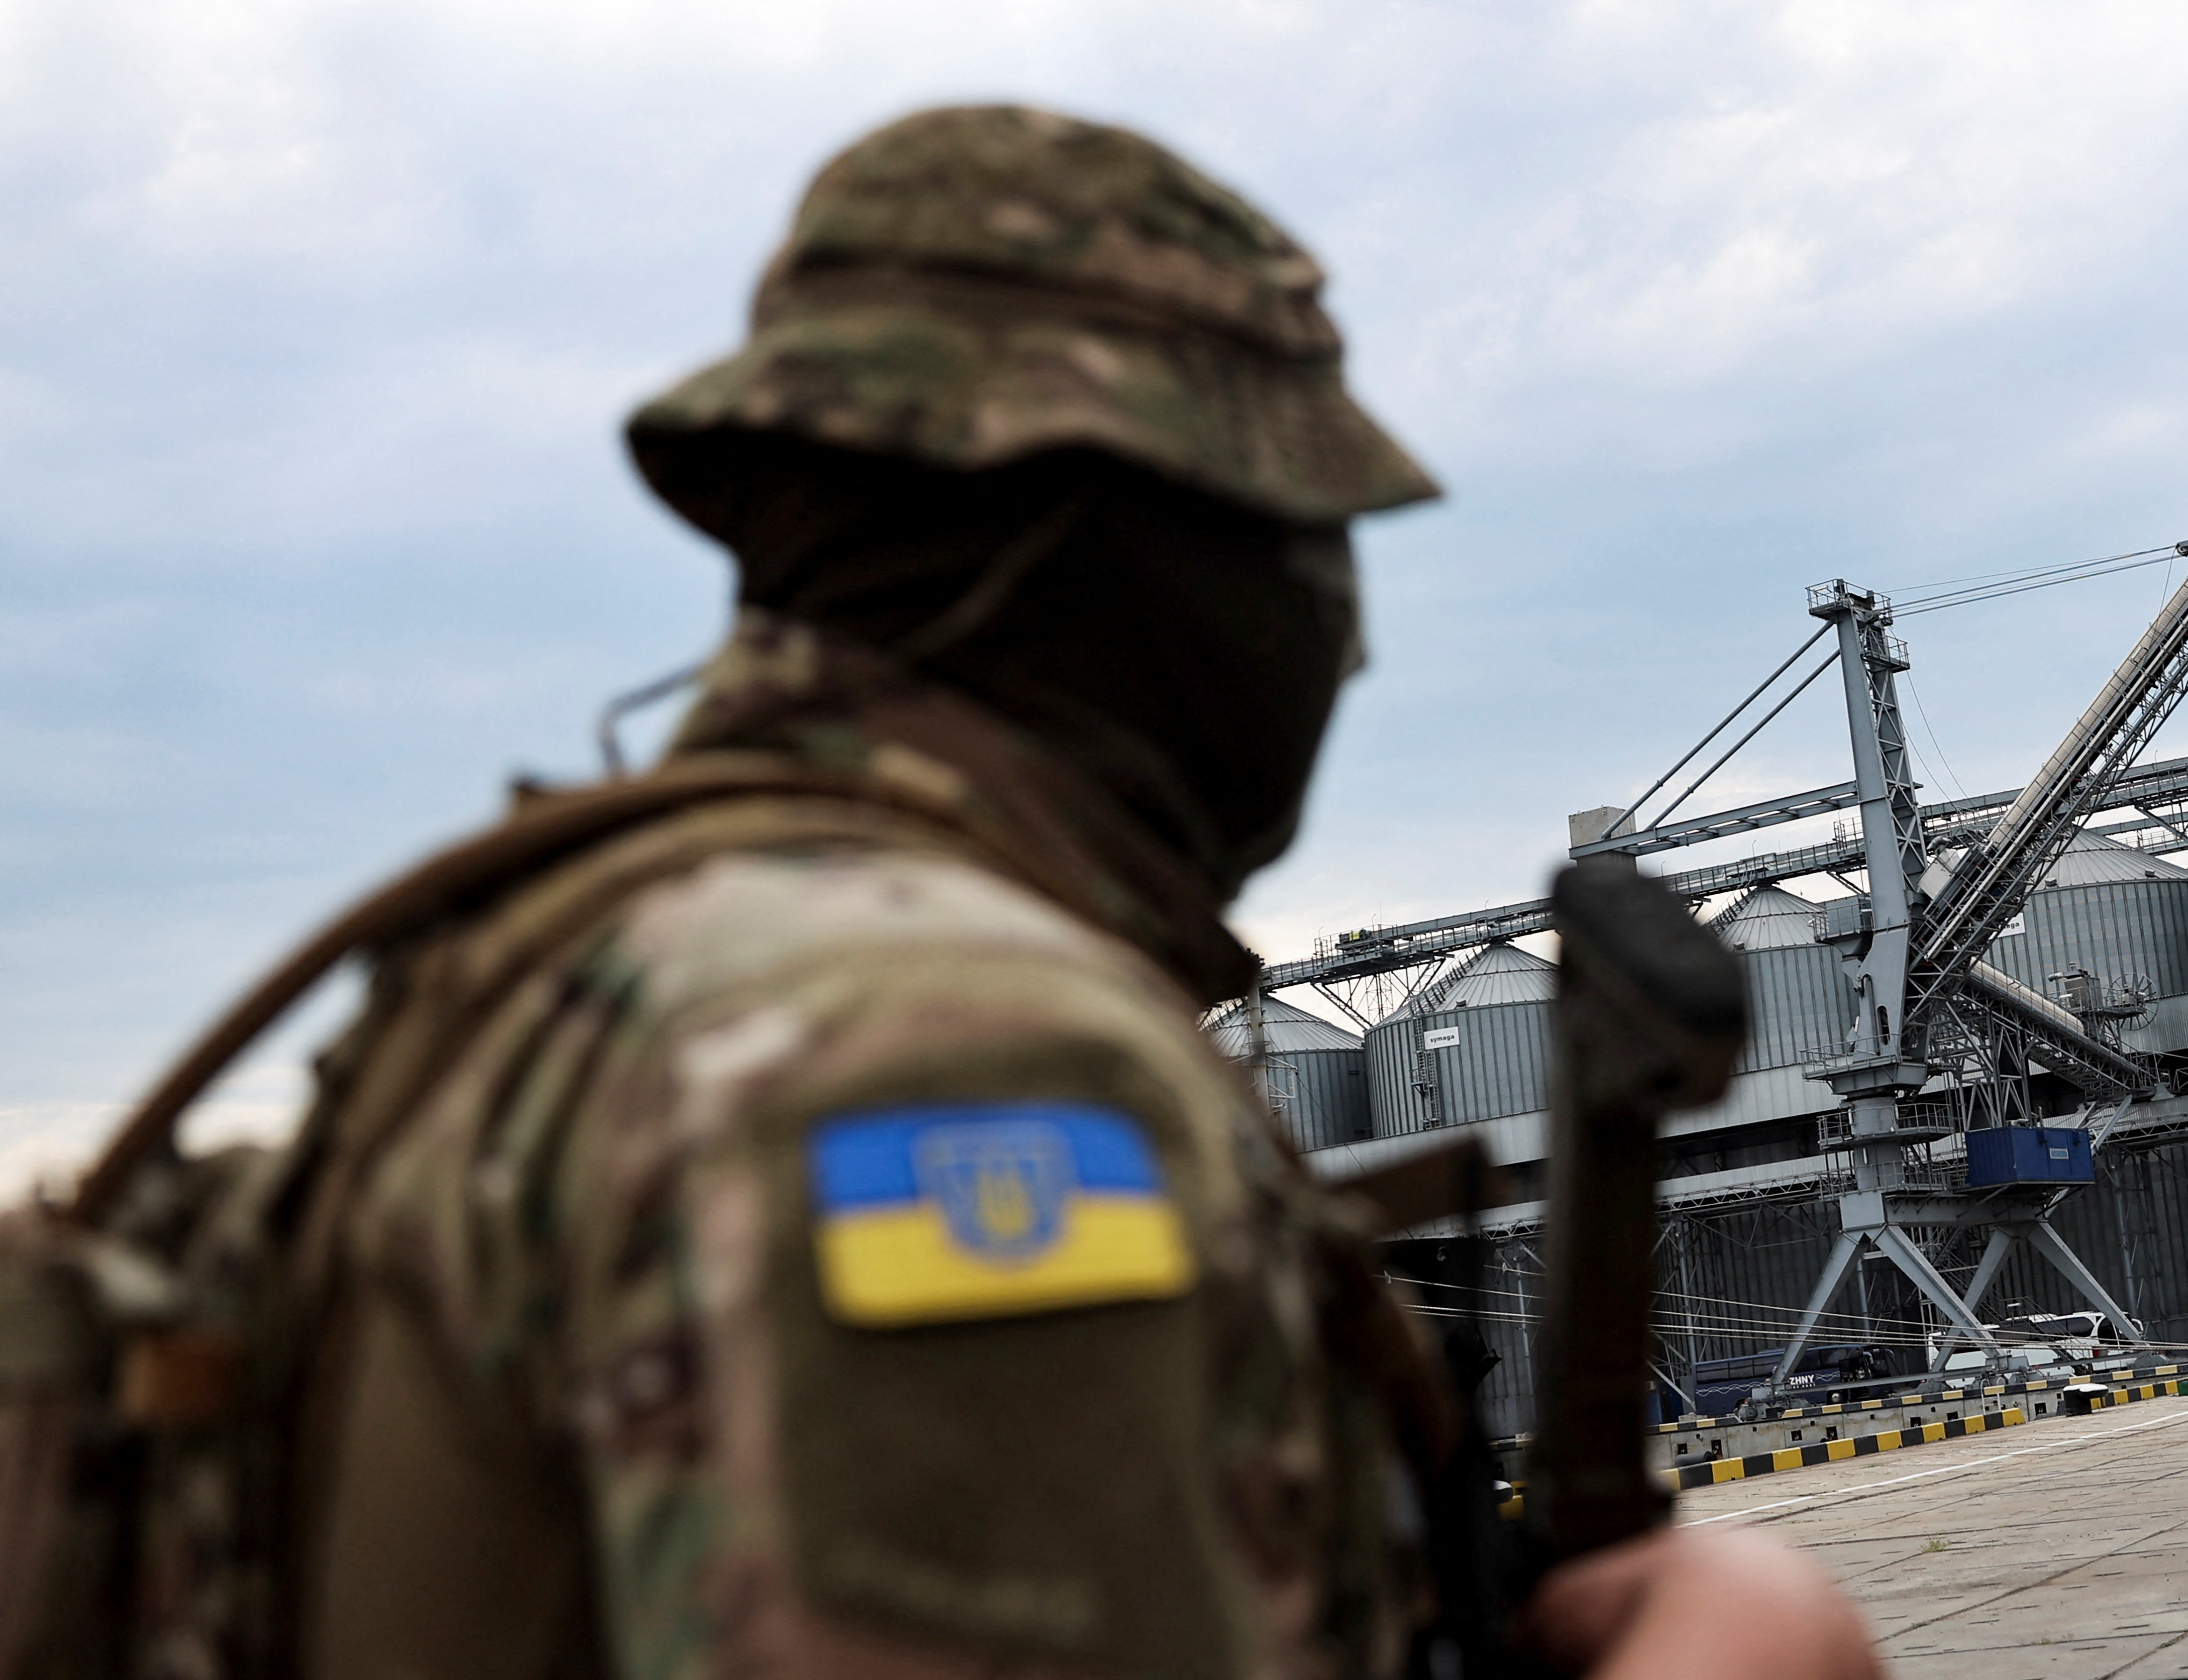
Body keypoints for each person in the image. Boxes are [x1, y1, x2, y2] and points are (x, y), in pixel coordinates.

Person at [46, 104, 1885, 1680]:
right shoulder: (928, 1052)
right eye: (1300, 538)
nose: (1343, 634)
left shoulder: (554, 979)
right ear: (1121, 546)